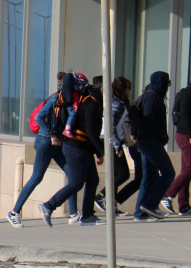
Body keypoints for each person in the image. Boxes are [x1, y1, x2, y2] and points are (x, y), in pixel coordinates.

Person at [36, 72, 105, 227]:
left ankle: (87, 216)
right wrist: (101, 151)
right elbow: (91, 130)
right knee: (76, 182)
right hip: (75, 147)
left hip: (83, 146)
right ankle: (48, 206)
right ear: (102, 89)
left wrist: (96, 151)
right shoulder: (91, 102)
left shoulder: (91, 100)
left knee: (93, 180)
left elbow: (89, 131)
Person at [7, 72, 75, 228]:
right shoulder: (55, 98)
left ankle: (74, 214)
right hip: (46, 141)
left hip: (56, 141)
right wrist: (51, 135)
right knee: (37, 177)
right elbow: (39, 117)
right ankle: (13, 212)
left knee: (73, 176)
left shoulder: (68, 100)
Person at [161, 65, 191, 216]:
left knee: (186, 169)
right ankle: (167, 195)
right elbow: (186, 115)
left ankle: (184, 206)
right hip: (187, 136)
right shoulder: (190, 93)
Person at [132, 71, 176, 221]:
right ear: (160, 82)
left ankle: (140, 213)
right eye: (167, 82)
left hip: (147, 141)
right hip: (149, 141)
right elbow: (148, 119)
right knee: (168, 173)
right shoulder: (152, 97)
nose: (168, 85)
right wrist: (162, 134)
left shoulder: (152, 96)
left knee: (149, 177)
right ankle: (150, 205)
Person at [96, 76, 142, 215]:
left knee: (117, 173)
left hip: (113, 141)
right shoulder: (117, 104)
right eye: (128, 88)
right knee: (123, 174)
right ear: (123, 89)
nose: (130, 91)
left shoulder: (119, 102)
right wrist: (117, 146)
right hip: (110, 141)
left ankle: (111, 206)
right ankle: (101, 197)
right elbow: (112, 126)